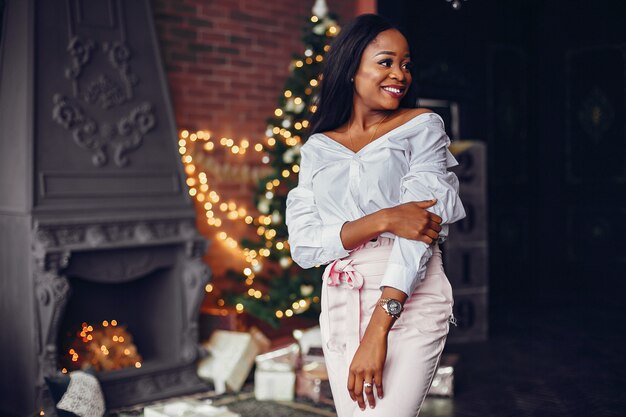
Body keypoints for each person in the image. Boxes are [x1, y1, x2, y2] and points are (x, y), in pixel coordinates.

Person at [285, 14, 466, 417]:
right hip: (341, 298)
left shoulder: (421, 127)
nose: (399, 74)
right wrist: (384, 218)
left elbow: (419, 229)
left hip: (407, 293)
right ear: (351, 68)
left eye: (405, 64)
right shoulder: (318, 147)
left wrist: (377, 330)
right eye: (386, 62)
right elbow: (305, 245)